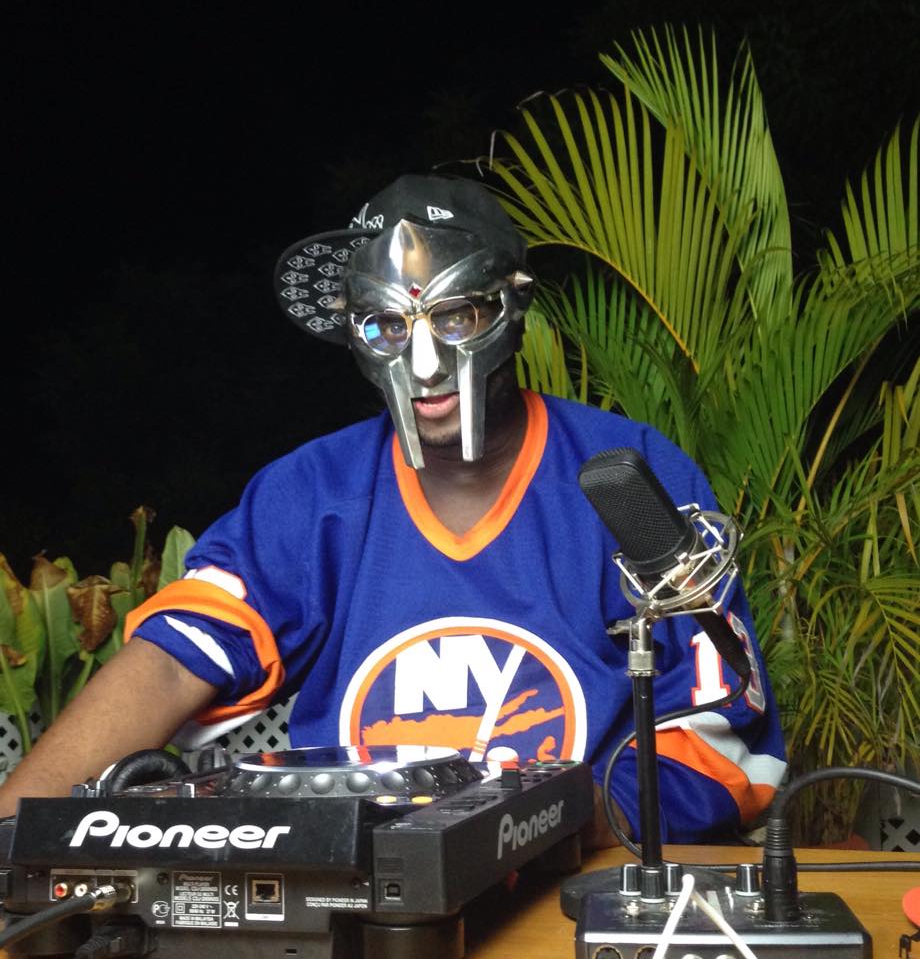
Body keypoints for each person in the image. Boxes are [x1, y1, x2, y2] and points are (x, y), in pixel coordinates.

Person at [0, 174, 786, 843]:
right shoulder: (311, 495)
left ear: (511, 310)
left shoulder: (626, 472)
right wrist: (8, 833)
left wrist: (515, 836)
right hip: (353, 902)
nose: (424, 361)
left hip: (575, 883)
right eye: (386, 324)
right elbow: (171, 664)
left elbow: (721, 730)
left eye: (456, 316)